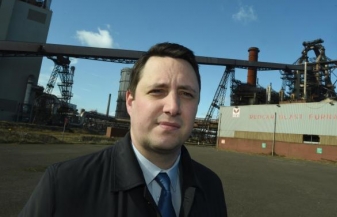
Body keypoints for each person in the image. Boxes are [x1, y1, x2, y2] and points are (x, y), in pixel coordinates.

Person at [19, 42, 227, 217]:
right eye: (157, 91)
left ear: (197, 105)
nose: (173, 107)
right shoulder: (64, 184)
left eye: (186, 94)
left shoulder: (211, 186)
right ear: (130, 101)